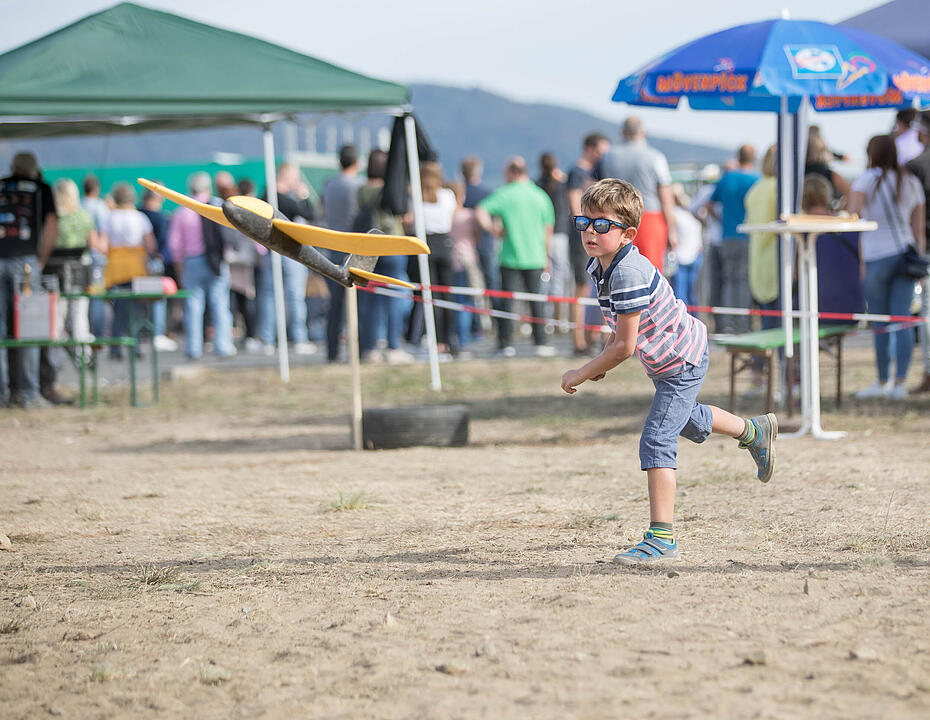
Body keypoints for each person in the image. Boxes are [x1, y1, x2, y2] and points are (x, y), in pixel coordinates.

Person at [559, 178, 776, 564]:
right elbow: (619, 331)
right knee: (688, 420)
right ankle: (754, 432)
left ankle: (662, 539)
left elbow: (625, 347)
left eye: (602, 224)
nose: (590, 231)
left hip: (681, 359)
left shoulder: (628, 272)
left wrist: (582, 371)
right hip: (666, 361)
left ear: (628, 234)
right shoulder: (600, 265)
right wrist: (602, 360)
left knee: (657, 439)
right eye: (584, 222)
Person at [848, 135, 926, 400]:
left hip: (875, 257)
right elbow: (918, 230)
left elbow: (853, 217)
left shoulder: (866, 179)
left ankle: (882, 380)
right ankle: (900, 382)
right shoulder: (911, 181)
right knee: (902, 320)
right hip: (905, 256)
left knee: (880, 321)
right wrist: (919, 257)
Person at [476, 156, 556, 357]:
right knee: (536, 301)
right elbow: (548, 230)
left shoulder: (505, 193)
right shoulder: (540, 196)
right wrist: (548, 256)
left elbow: (480, 210)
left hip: (510, 256)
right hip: (536, 256)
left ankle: (506, 344)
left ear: (511, 172)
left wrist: (492, 229)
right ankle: (541, 342)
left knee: (507, 302)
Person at [0, 152, 58, 408]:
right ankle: (28, 393)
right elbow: (51, 226)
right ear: (34, 169)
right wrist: (40, 261)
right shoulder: (41, 188)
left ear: (13, 167)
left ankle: (2, 393)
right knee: (29, 329)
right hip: (26, 262)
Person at [167, 172, 235, 360]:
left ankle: (193, 348)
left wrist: (179, 267)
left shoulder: (183, 210)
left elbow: (174, 244)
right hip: (216, 260)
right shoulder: (218, 205)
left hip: (191, 261)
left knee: (193, 305)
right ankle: (223, 345)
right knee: (220, 304)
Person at [595, 117, 677, 272]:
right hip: (648, 218)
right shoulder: (655, 157)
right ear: (644, 132)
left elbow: (595, 189)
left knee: (613, 269)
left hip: (614, 218)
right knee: (649, 271)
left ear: (622, 132)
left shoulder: (607, 156)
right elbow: (666, 197)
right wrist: (672, 230)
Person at [356, 149, 414, 364]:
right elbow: (404, 215)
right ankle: (393, 345)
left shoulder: (362, 191)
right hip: (392, 244)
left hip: (369, 246)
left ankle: (369, 347)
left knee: (369, 298)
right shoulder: (390, 190)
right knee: (394, 297)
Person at [101, 182, 159, 359]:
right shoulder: (140, 218)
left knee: (119, 308)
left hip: (116, 267)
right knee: (136, 309)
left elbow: (103, 245)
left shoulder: (109, 218)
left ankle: (115, 348)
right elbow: (151, 245)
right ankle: (135, 346)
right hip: (136, 266)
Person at [706, 144, 760, 334]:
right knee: (743, 281)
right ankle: (742, 324)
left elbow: (709, 205)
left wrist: (722, 221)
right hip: (747, 236)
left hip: (727, 237)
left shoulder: (727, 178)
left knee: (728, 280)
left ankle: (728, 322)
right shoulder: (756, 180)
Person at [405, 161, 458, 354]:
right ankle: (447, 339)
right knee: (446, 294)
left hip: (423, 244)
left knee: (428, 295)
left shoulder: (415, 197)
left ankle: (427, 337)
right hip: (444, 244)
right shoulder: (447, 196)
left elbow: (408, 222)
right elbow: (451, 219)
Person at [800, 175, 865, 325]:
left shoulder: (801, 231)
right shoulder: (849, 226)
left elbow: (796, 275)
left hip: (817, 310)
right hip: (853, 308)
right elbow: (862, 269)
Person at [567, 132, 610, 355]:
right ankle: (579, 341)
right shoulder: (577, 172)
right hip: (582, 237)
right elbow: (575, 204)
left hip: (596, 235)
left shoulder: (597, 172)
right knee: (582, 286)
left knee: (602, 284)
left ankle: (598, 335)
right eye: (601, 152)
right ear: (590, 149)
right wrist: (586, 228)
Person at [320, 147, 364, 361]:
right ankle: (360, 348)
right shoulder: (359, 186)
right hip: (353, 245)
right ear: (356, 162)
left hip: (333, 246)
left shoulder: (329, 186)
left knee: (335, 305)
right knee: (358, 303)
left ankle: (332, 350)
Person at [214, 171, 261, 352]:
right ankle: (247, 335)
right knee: (242, 301)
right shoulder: (239, 208)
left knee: (240, 301)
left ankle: (247, 335)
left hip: (238, 261)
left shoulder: (229, 208)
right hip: (241, 261)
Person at [905, 113, 930, 393]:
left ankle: (929, 372)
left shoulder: (915, 167)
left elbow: (912, 215)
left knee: (927, 313)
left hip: (925, 249)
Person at [137, 185, 177, 352]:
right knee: (157, 299)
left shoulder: (138, 213)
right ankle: (157, 334)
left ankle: (143, 332)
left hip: (137, 262)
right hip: (153, 262)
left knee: (140, 300)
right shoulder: (159, 218)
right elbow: (160, 244)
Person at [745, 145, 779, 330]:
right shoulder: (780, 189)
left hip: (758, 262)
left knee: (768, 322)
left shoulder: (755, 190)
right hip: (778, 263)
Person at [536, 153, 572, 327]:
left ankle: (546, 318)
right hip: (560, 233)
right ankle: (559, 318)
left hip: (541, 233)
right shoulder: (562, 185)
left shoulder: (537, 185)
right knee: (560, 276)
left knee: (545, 276)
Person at [448, 180, 483, 354]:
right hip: (467, 260)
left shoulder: (446, 216)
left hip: (450, 261)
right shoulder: (468, 216)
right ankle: (464, 340)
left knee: (453, 301)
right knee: (466, 302)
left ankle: (454, 338)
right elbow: (477, 237)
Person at [81, 175, 110, 338]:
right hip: (97, 258)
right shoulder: (100, 207)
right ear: (97, 189)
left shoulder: (79, 204)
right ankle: (97, 336)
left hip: (82, 258)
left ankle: (85, 333)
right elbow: (104, 234)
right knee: (97, 297)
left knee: (82, 299)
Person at [669, 184, 702, 312]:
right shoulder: (690, 214)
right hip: (695, 255)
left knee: (680, 296)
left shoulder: (673, 215)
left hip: (679, 258)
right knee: (692, 294)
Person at [805, 126, 851, 208]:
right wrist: (839, 209)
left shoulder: (797, 175)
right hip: (827, 212)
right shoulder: (830, 175)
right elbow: (850, 194)